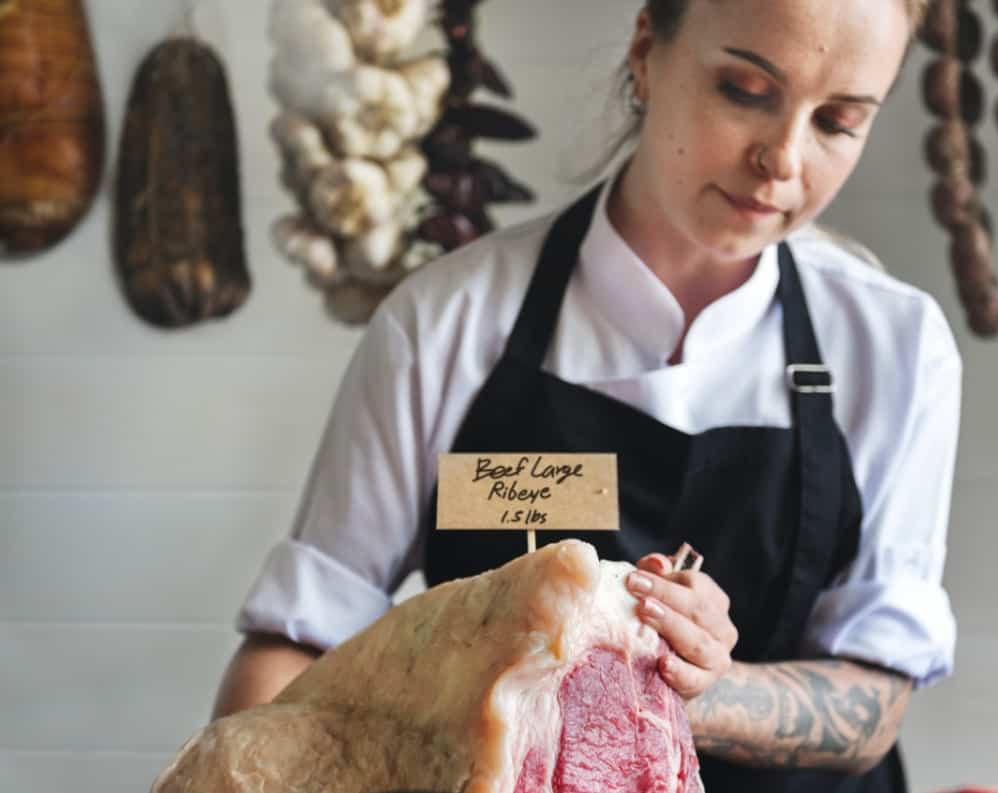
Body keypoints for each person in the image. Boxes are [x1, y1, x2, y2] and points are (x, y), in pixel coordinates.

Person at [213, 1, 960, 791]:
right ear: (647, 51)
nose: (783, 158)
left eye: (838, 122)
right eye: (743, 89)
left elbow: (875, 697)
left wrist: (699, 679)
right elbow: (299, 643)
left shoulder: (893, 344)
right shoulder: (446, 324)